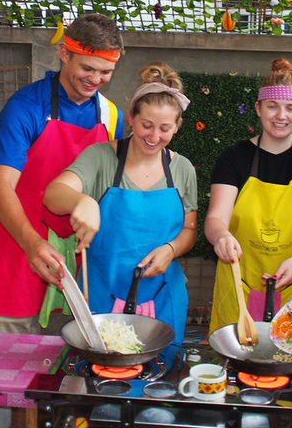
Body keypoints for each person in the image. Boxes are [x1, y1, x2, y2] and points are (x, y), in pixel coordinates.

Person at [0, 14, 125, 334]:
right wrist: (32, 244)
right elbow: (0, 188)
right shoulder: (26, 108)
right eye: (87, 68)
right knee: (13, 365)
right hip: (18, 249)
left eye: (106, 72)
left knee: (69, 362)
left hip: (78, 261)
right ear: (65, 53)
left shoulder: (111, 115)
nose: (95, 80)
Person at [43, 62, 197, 356]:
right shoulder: (101, 158)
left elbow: (190, 229)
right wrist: (82, 201)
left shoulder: (182, 169)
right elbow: (53, 194)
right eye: (146, 125)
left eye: (165, 129)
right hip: (103, 296)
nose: (154, 136)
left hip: (164, 298)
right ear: (131, 119)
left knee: (159, 382)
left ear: (177, 127)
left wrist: (172, 249)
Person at [206, 59, 292, 333]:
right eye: (272, 106)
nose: (281, 116)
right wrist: (221, 236)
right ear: (258, 108)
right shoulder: (234, 159)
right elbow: (216, 218)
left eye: (291, 108)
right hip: (240, 281)